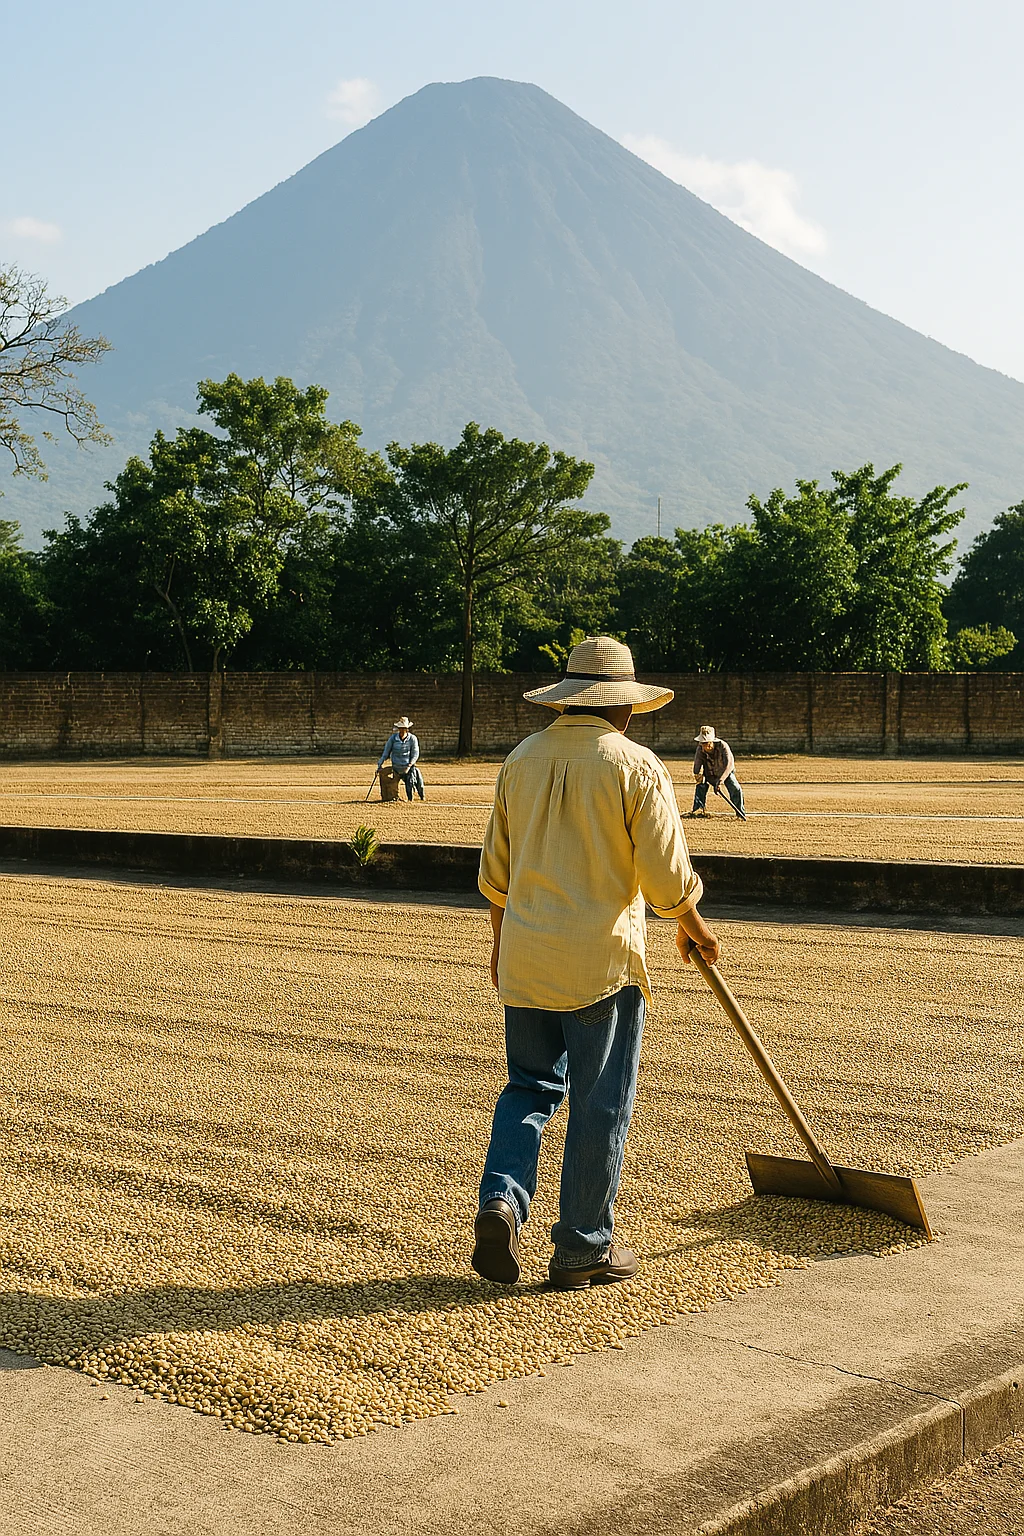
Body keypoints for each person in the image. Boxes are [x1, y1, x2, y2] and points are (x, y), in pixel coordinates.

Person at [471, 636, 720, 1291]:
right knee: (600, 1106)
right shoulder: (635, 766)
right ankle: (583, 1248)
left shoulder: (520, 760)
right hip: (600, 967)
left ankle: (501, 1200)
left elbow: (495, 877)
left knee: (528, 1089)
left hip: (526, 958)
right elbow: (666, 879)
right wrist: (693, 928)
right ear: (627, 708)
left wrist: (500, 948)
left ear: (566, 700)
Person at [689, 725, 745, 819]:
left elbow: (729, 765)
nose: (704, 745)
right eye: (702, 743)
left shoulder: (723, 746)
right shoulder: (700, 749)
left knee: (735, 788)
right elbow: (697, 764)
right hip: (709, 773)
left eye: (706, 743)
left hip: (725, 773)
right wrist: (697, 775)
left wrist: (720, 781)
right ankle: (698, 810)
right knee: (700, 786)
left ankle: (740, 812)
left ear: (712, 742)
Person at [377, 717, 425, 801]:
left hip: (408, 766)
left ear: (407, 729)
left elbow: (415, 753)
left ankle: (414, 798)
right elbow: (386, 753)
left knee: (413, 780)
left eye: (404, 728)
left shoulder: (412, 739)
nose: (402, 731)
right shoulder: (393, 739)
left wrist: (409, 765)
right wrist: (380, 764)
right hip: (396, 766)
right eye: (401, 728)